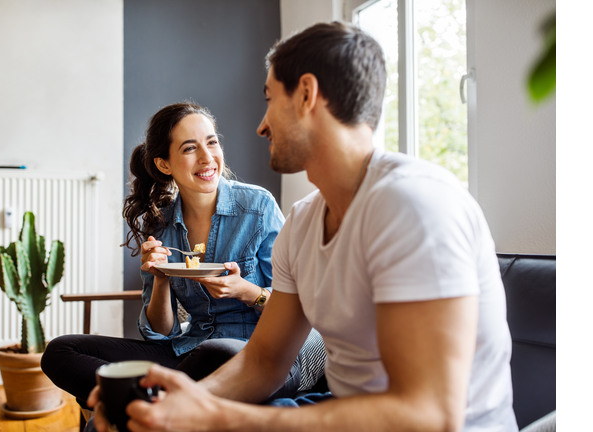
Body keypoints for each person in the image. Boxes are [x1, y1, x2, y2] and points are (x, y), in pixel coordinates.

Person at [86, 21, 518, 432]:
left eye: (270, 99)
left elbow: (428, 415)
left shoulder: (414, 206)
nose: (261, 125)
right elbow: (264, 361)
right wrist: (180, 406)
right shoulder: (304, 222)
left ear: (307, 95)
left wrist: (218, 418)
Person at [41, 102, 312, 409]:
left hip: (258, 358)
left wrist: (246, 291)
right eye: (189, 148)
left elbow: (294, 311)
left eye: (212, 142)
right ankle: (152, 404)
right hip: (189, 353)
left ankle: (136, 403)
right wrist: (160, 280)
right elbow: (161, 333)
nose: (207, 157)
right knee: (62, 350)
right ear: (164, 164)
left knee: (215, 352)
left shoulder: (257, 207)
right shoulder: (160, 223)